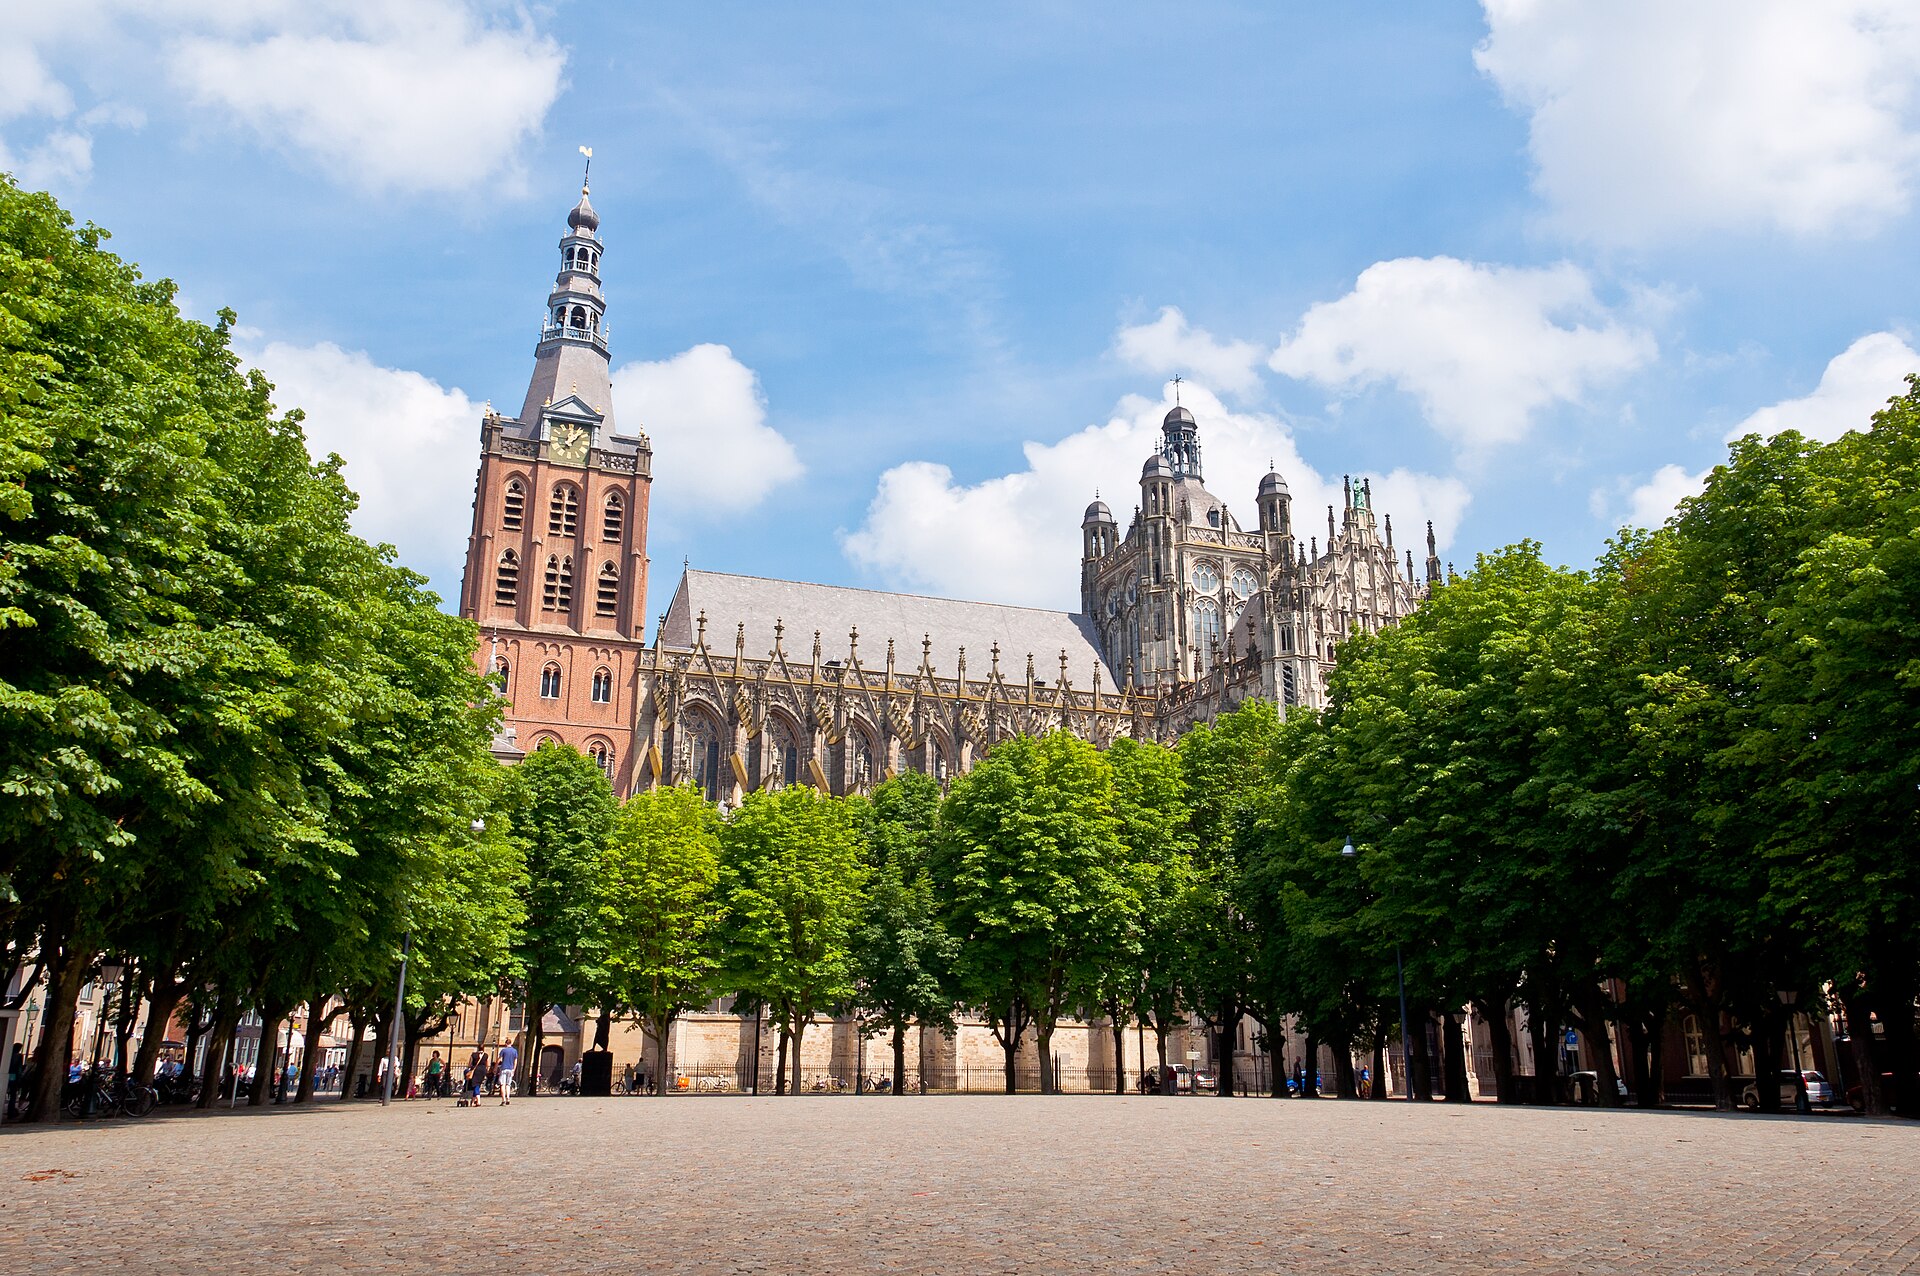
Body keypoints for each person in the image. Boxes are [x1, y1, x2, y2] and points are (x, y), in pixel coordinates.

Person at [497, 1038, 519, 1105]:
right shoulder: (514, 1051)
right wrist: (514, 1069)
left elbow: (499, 1059)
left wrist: (495, 1067)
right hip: (510, 1069)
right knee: (508, 1085)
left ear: (506, 1043)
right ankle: (508, 1098)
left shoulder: (503, 1050)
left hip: (504, 1068)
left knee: (502, 1084)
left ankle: (503, 1099)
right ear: (511, 1043)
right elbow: (515, 1061)